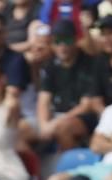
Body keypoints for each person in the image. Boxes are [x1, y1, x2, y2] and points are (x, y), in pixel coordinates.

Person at [36, 19, 100, 151]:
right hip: (56, 115)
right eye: (58, 41)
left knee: (64, 128)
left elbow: (86, 105)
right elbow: (43, 101)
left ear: (76, 40)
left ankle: (69, 167)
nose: (62, 46)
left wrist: (55, 124)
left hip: (83, 117)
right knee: (23, 129)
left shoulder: (89, 64)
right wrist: (44, 126)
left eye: (67, 40)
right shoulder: (51, 65)